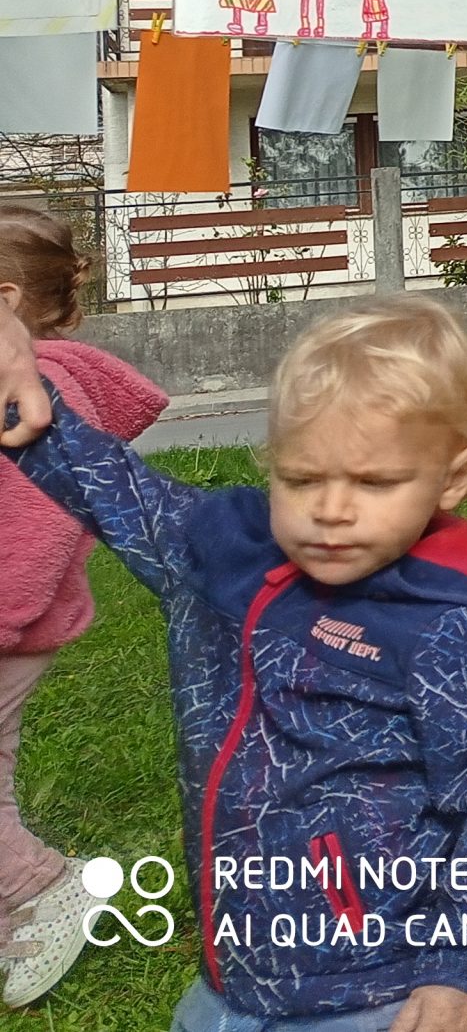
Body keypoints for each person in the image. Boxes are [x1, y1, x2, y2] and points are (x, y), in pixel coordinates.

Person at [0, 296, 467, 1032]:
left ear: (453, 477)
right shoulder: (226, 563)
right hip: (232, 976)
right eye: (300, 478)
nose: (331, 508)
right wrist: (16, 384)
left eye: (374, 482)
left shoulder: (448, 627)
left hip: (378, 987)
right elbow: (109, 482)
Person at [0, 207, 167, 1009]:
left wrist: (3, 616)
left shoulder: (43, 391)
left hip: (9, 622)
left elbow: (43, 522)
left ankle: (42, 886)